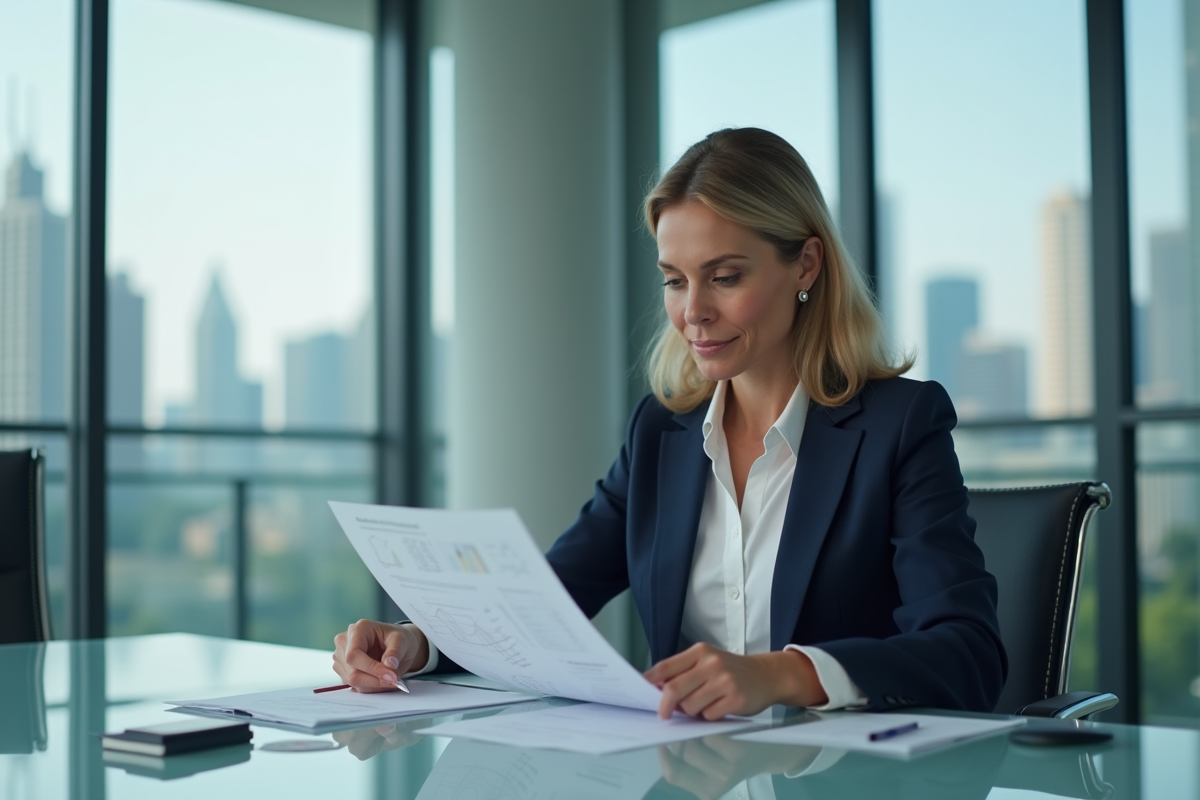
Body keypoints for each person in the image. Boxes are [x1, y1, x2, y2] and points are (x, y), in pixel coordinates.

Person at [333, 127, 1007, 720]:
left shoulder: (899, 426)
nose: (693, 313)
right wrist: (415, 642)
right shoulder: (662, 434)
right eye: (675, 280)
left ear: (805, 263)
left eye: (724, 276)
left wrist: (780, 675)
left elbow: (967, 653)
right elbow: (542, 605)